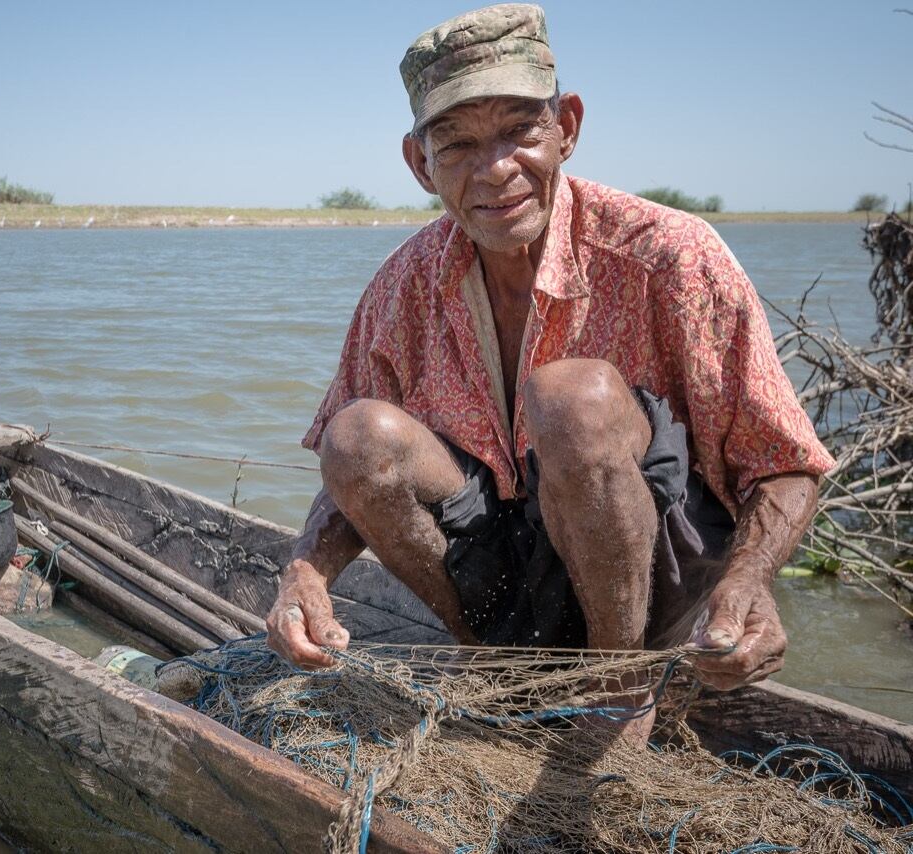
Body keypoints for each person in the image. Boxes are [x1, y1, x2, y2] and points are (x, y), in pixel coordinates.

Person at [264, 2, 834, 727]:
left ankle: (618, 696)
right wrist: (305, 573)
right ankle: (493, 666)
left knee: (572, 399)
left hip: (652, 583)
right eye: (458, 144)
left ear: (566, 127)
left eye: (519, 130)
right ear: (420, 164)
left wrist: (751, 582)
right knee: (356, 435)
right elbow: (350, 474)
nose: (496, 169)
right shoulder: (401, 287)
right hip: (504, 581)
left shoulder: (671, 255)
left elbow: (784, 460)